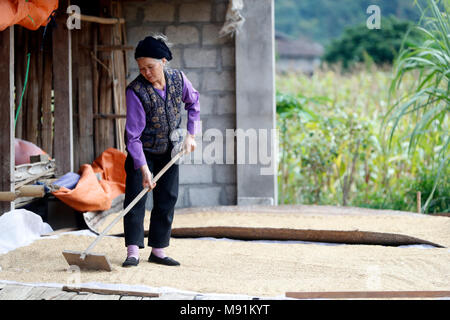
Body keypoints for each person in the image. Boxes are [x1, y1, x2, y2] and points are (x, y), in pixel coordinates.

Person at [122, 35, 200, 267]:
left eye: (150, 67)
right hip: (142, 153)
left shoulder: (178, 79)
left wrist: (190, 135)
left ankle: (158, 250)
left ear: (164, 61)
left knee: (167, 198)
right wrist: (144, 169)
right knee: (136, 199)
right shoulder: (135, 90)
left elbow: (194, 103)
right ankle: (133, 251)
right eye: (141, 68)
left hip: (169, 150)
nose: (146, 72)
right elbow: (132, 136)